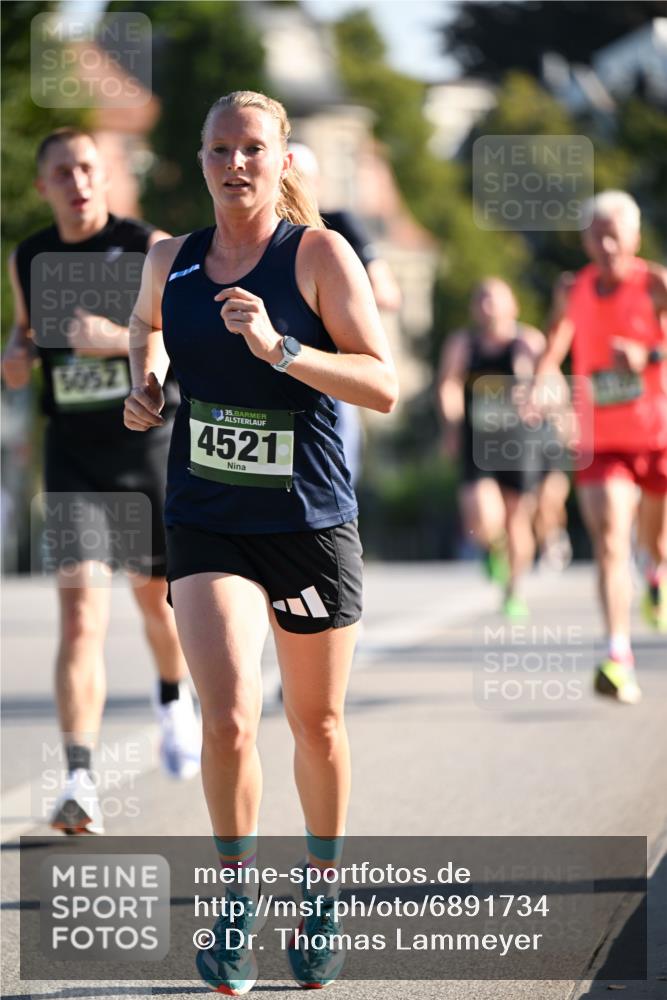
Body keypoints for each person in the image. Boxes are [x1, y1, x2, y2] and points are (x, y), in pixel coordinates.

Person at [124, 91, 397, 993]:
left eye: (252, 149)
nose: (234, 165)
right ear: (198, 160)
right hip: (206, 513)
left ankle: (320, 891)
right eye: (218, 150)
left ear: (281, 161)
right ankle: (234, 902)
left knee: (314, 722)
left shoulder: (317, 254)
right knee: (231, 713)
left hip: (308, 521)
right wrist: (148, 388)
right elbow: (151, 334)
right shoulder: (172, 259)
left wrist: (281, 350)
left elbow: (380, 383)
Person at [1, 128, 201, 836]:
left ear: (104, 175)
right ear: (43, 186)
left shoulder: (150, 246)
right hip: (75, 458)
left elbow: (185, 329)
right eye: (62, 172)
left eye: (87, 167)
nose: (78, 181)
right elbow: (25, 338)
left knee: (158, 608)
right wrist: (17, 356)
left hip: (146, 448)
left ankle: (174, 694)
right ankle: (80, 776)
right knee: (82, 613)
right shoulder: (28, 255)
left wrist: (113, 337)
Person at [537, 190, 667, 704]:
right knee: (611, 539)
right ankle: (618, 655)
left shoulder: (655, 284)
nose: (607, 242)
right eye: (597, 233)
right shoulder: (574, 288)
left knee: (653, 542)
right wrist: (544, 380)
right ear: (586, 240)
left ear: (634, 236)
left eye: (616, 232)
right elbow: (554, 346)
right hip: (601, 440)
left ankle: (657, 574)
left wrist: (648, 353)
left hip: (657, 435)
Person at [438, 277, 568, 617]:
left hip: (518, 441)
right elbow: (448, 387)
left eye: (494, 298)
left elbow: (554, 386)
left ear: (513, 305)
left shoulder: (527, 342)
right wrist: (451, 425)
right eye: (480, 297)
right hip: (478, 439)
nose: (487, 304)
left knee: (516, 520)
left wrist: (544, 401)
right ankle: (492, 547)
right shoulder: (463, 344)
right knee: (481, 515)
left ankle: (513, 589)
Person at [288, 141, 402, 486]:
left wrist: (333, 295)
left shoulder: (339, 225)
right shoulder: (263, 235)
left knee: (336, 473)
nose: (295, 188)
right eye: (290, 178)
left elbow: (387, 293)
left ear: (318, 183)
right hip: (282, 369)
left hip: (333, 369)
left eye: (303, 178)